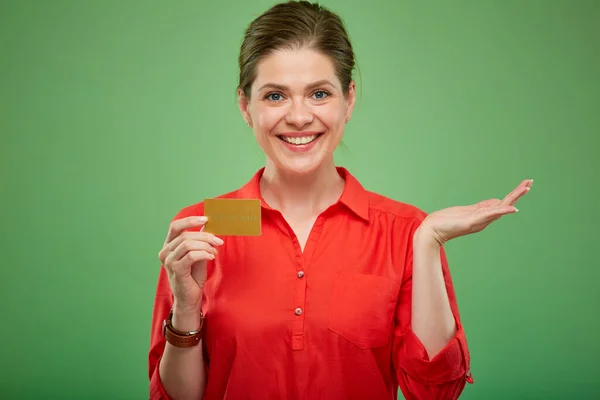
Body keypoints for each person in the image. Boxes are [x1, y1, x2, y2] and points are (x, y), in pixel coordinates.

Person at [148, 1, 533, 399]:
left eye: (319, 93)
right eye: (275, 96)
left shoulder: (405, 231)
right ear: (246, 107)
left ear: (348, 101)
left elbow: (436, 393)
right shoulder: (203, 226)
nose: (298, 117)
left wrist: (428, 241)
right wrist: (186, 312)